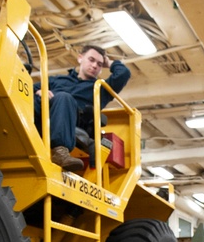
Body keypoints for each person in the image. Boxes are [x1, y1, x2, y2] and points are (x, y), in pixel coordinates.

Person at [34, 44, 131, 172]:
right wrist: (40, 92)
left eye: (100, 64)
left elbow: (123, 74)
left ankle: (60, 151)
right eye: (91, 60)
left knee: (64, 97)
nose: (95, 65)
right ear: (80, 58)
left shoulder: (100, 89)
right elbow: (29, 88)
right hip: (43, 112)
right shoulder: (57, 80)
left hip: (70, 119)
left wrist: (109, 62)